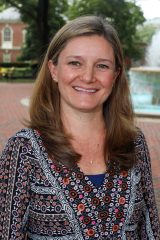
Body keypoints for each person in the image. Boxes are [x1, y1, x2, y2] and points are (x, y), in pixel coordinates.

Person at [0, 15, 159, 240]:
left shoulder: (133, 142)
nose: (88, 76)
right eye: (75, 63)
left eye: (102, 66)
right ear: (54, 70)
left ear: (115, 75)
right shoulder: (24, 149)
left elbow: (149, 229)